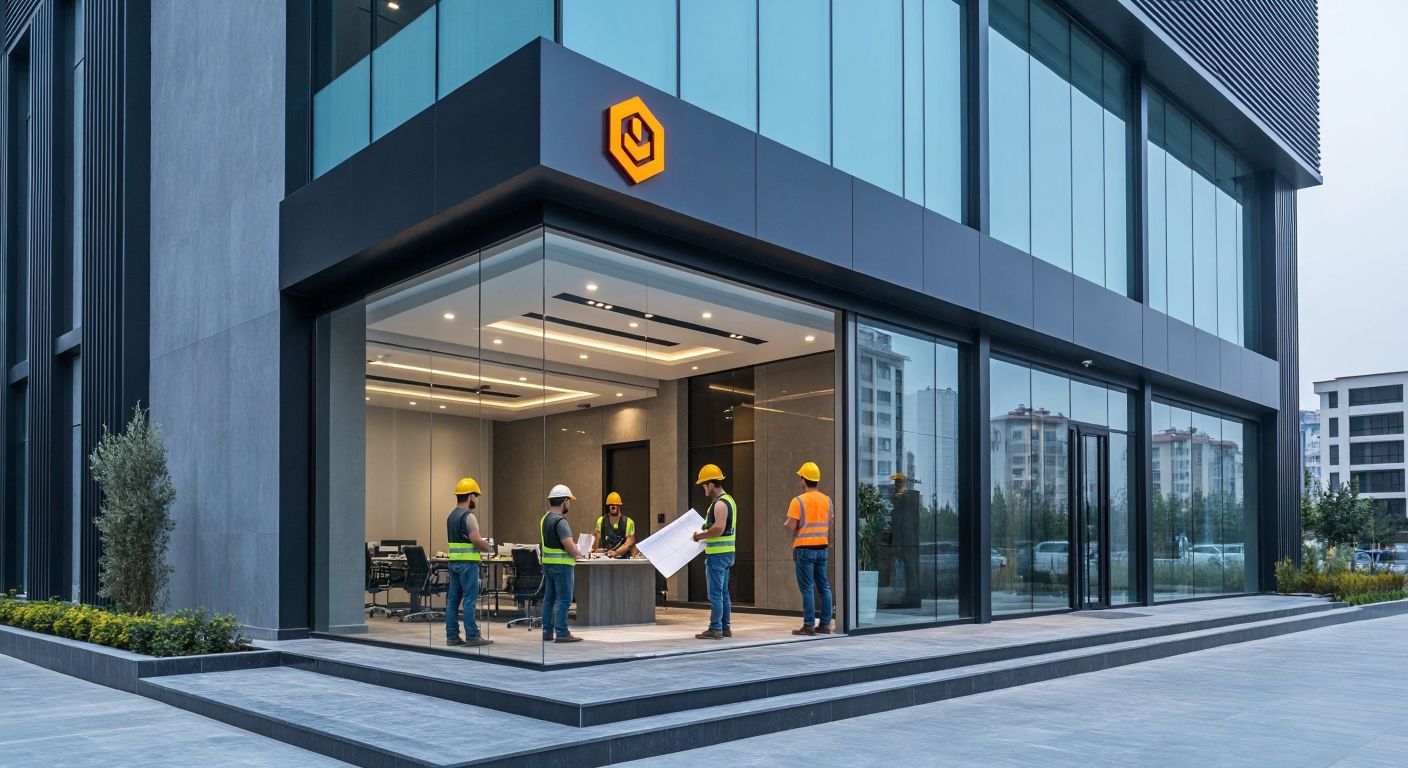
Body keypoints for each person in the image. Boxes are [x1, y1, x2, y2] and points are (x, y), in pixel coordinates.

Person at [784, 462, 833, 636]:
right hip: (822, 547)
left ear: (803, 480)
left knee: (807, 588)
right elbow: (829, 522)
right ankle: (825, 625)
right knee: (824, 587)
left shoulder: (798, 501)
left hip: (804, 549)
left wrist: (786, 524)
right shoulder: (827, 500)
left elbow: (791, 526)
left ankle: (809, 625)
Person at [445, 477, 494, 647]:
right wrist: (488, 547)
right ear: (470, 496)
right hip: (468, 565)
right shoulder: (469, 516)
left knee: (452, 600)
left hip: (454, 564)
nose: (476, 500)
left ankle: (452, 636)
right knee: (469, 600)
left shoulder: (451, 516)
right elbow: (475, 539)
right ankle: (472, 636)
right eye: (476, 496)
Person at [691, 464, 737, 639]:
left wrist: (699, 536)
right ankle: (725, 627)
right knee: (724, 593)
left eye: (704, 485)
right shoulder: (730, 501)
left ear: (711, 484)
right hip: (728, 554)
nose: (703, 488)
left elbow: (718, 528)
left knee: (715, 594)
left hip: (717, 555)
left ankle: (715, 628)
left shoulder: (719, 504)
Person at [540, 484, 585, 643]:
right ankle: (562, 632)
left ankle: (547, 630)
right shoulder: (560, 521)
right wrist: (578, 553)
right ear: (564, 501)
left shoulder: (545, 519)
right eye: (569, 501)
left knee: (549, 598)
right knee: (564, 599)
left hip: (548, 566)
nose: (570, 504)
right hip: (562, 566)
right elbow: (568, 545)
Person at [889, 472, 922, 609]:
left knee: (910, 568)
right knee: (908, 567)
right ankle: (910, 593)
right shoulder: (904, 499)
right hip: (906, 538)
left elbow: (902, 521)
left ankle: (911, 593)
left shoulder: (904, 497)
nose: (895, 486)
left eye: (897, 483)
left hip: (906, 539)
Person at [594, 491, 636, 558]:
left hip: (623, 559)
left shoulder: (628, 522)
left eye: (615, 504)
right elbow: (596, 541)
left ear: (619, 506)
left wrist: (616, 553)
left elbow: (629, 544)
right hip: (605, 558)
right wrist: (596, 552)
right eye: (611, 504)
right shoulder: (601, 521)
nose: (613, 506)